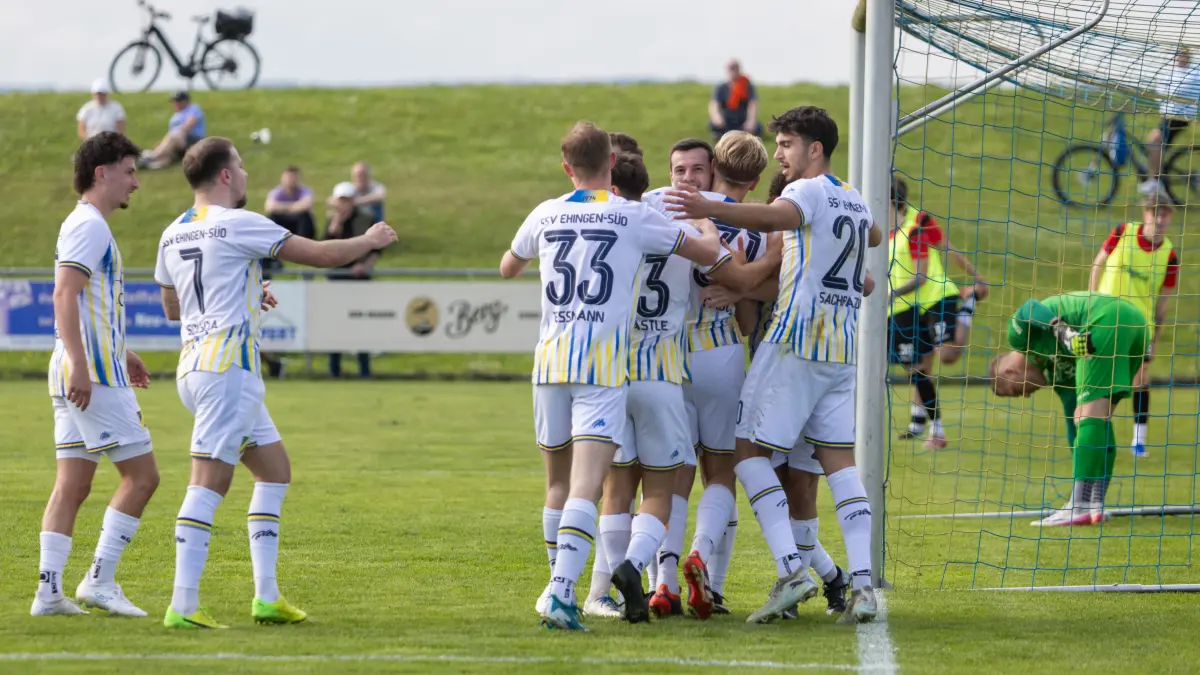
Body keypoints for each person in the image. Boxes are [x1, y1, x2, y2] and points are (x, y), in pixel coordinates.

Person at [155, 137, 397, 629]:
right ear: (225, 175)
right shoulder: (240, 222)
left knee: (275, 472)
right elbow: (323, 255)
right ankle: (182, 606)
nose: (245, 175)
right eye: (240, 167)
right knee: (208, 482)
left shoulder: (172, 233)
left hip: (196, 365)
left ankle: (266, 597)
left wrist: (244, 288)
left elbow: (173, 308)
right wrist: (369, 240)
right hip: (226, 368)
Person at [664, 105, 884, 624]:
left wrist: (707, 207)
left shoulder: (804, 192)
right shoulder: (851, 198)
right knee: (839, 464)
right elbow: (873, 237)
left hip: (795, 341)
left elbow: (771, 217)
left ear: (815, 149)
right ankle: (862, 585)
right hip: (841, 350)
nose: (781, 154)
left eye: (787, 144)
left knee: (744, 452)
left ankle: (792, 571)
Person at [499, 121, 721, 632]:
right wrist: (705, 220)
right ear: (612, 165)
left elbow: (509, 266)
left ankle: (559, 585)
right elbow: (707, 254)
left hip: (550, 359)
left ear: (566, 167)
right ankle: (561, 593)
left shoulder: (545, 211)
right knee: (587, 486)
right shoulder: (631, 216)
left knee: (557, 484)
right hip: (602, 366)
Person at [591, 149, 781, 624]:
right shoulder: (734, 220)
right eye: (686, 170)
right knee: (721, 472)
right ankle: (707, 575)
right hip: (715, 352)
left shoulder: (647, 205)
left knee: (667, 475)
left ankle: (664, 583)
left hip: (664, 359)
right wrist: (742, 290)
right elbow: (748, 312)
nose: (689, 176)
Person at [34, 131, 158, 618]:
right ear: (101, 172)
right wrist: (85, 366)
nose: (136, 183)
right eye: (129, 172)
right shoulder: (90, 226)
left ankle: (48, 594)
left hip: (81, 367)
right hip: (91, 377)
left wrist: (122, 351)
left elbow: (90, 304)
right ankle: (99, 581)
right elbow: (65, 295)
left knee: (73, 486)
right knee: (143, 478)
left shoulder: (85, 224)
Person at [989, 292, 1147, 527]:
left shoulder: (1019, 339)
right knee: (1095, 421)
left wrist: (1062, 331)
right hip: (1136, 326)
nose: (1024, 396)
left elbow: (1029, 307)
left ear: (1009, 373)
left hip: (1102, 319)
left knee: (1089, 416)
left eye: (1014, 391)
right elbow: (1079, 433)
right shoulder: (1058, 374)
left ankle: (1077, 506)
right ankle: (1095, 504)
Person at [887, 176, 987, 448]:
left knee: (947, 355)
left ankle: (968, 304)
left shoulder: (918, 223)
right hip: (907, 307)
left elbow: (947, 248)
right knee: (920, 367)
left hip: (936, 296)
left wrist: (977, 278)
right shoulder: (881, 232)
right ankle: (924, 425)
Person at [1089, 195, 1179, 457]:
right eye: (1155, 214)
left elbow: (1164, 299)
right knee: (1102, 378)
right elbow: (1098, 264)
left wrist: (1156, 333)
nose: (1160, 220)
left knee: (1140, 379)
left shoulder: (1170, 255)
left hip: (1141, 325)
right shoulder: (1122, 232)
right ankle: (1099, 431)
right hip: (1105, 317)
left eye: (1165, 215)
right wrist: (1090, 303)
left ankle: (1139, 440)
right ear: (1146, 213)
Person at [324, 181, 384, 378]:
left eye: (348, 200)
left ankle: (364, 370)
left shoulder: (366, 219)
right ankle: (334, 370)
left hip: (358, 279)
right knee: (334, 325)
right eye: (341, 200)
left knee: (360, 324)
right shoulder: (331, 220)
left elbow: (377, 249)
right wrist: (335, 224)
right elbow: (324, 246)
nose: (344, 204)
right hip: (336, 278)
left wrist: (364, 266)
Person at [1140, 46, 1200, 197]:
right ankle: (1156, 175)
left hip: (1180, 118)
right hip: (1167, 117)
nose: (1180, 57)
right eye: (1178, 55)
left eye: (1182, 54)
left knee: (1154, 140)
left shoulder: (1194, 74)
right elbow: (1160, 91)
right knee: (1156, 144)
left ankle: (1155, 180)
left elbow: (1184, 92)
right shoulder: (1170, 73)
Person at [139, 91, 206, 169]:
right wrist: (163, 144)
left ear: (185, 101)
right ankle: (152, 165)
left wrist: (173, 137)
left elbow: (189, 125)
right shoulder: (175, 116)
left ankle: (152, 157)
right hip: (179, 141)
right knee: (167, 151)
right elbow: (170, 134)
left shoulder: (194, 108)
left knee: (174, 137)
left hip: (193, 140)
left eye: (178, 101)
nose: (175, 103)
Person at [708, 59, 762, 141]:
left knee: (757, 127)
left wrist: (751, 121)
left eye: (734, 68)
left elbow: (752, 104)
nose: (732, 70)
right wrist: (717, 117)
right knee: (713, 125)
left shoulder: (746, 85)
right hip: (727, 119)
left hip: (741, 119)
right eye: (730, 68)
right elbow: (714, 104)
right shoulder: (721, 87)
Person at [265, 166, 316, 240]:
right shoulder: (277, 192)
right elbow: (270, 207)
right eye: (289, 177)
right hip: (282, 222)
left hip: (298, 223)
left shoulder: (305, 191)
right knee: (272, 216)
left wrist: (282, 208)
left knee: (305, 216)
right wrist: (294, 207)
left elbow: (307, 205)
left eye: (294, 177)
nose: (291, 180)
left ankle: (304, 241)